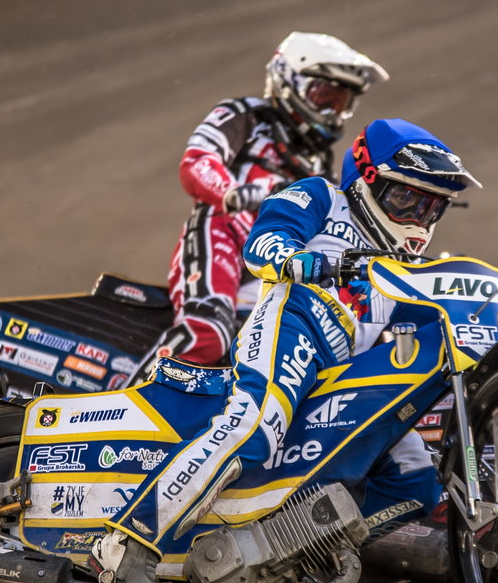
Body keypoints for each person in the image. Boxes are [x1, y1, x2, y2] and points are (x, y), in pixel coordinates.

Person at [93, 118, 480, 583]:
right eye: (406, 199)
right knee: (251, 430)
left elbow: (440, 309)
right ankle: (128, 545)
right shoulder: (323, 196)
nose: (418, 215)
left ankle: (285, 553)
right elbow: (262, 245)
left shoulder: (402, 265)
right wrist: (303, 262)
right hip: (292, 325)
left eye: (431, 205)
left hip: (343, 370)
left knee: (417, 482)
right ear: (367, 179)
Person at [125, 32, 389, 386]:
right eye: (325, 97)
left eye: (342, 103)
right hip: (222, 233)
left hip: (273, 267)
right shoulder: (245, 116)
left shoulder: (319, 165)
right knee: (208, 332)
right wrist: (234, 192)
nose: (332, 112)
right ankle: (117, 409)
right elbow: (197, 161)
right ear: (290, 80)